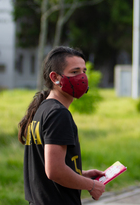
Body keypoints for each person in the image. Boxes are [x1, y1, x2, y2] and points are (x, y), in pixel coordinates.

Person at [18, 46, 106, 204]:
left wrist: (80, 174)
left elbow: (50, 164)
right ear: (55, 77)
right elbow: (55, 171)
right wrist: (91, 185)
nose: (82, 77)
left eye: (84, 71)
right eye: (74, 72)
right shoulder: (58, 114)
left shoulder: (43, 109)